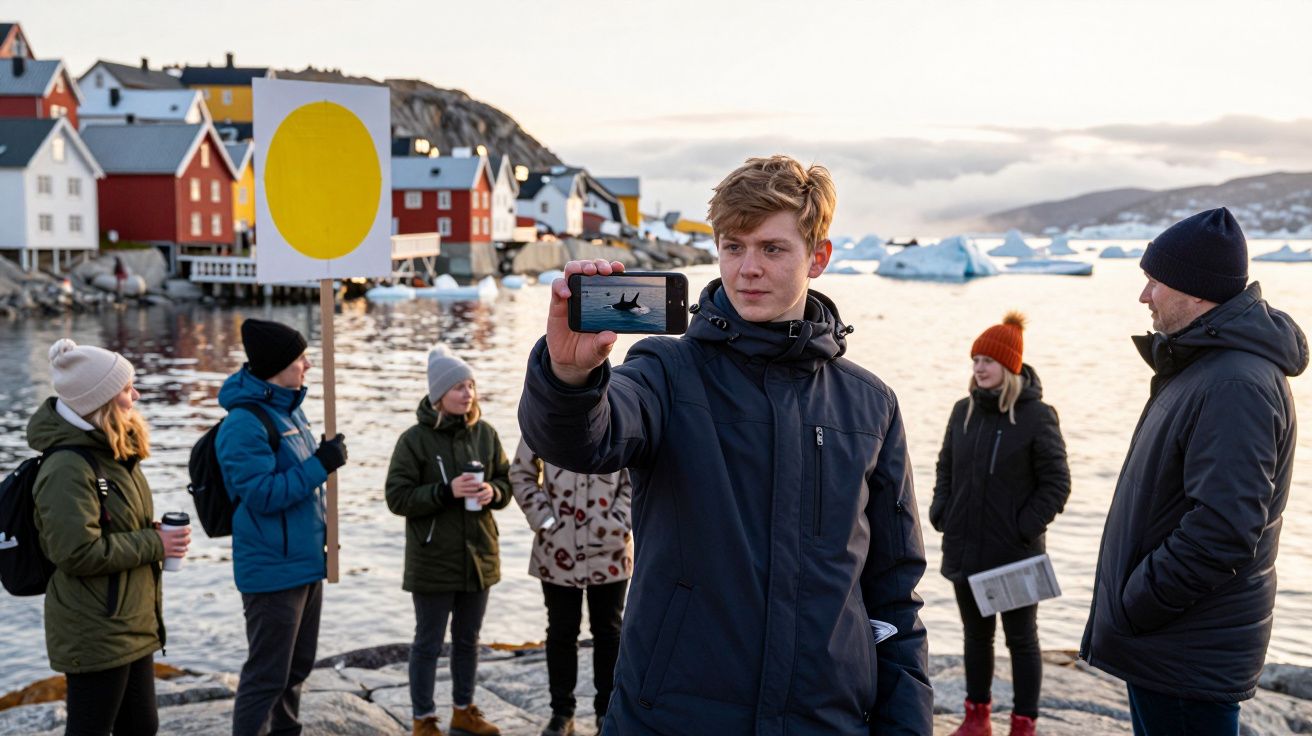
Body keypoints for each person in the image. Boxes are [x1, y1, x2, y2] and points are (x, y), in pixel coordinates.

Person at [518, 155, 933, 734]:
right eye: (732, 247)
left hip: (826, 720)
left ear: (818, 257)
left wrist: (906, 725)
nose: (747, 269)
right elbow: (584, 439)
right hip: (671, 718)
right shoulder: (665, 371)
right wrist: (569, 378)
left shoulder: (870, 405)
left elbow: (893, 595)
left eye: (771, 248)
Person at [1081, 208, 1308, 735]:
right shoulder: (1205, 367)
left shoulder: (1235, 383)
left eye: (1154, 283)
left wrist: (1139, 602)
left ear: (1197, 291)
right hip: (1171, 645)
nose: (1144, 297)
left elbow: (1224, 530)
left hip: (1185, 648)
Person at [30, 339, 190, 736]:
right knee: (92, 729)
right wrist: (156, 545)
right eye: (125, 389)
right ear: (98, 400)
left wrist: (150, 534)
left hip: (129, 620)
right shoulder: (67, 466)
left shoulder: (112, 451)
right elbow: (76, 551)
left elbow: (113, 527)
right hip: (96, 628)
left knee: (141, 727)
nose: (135, 395)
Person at [929, 313, 1071, 736]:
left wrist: (1021, 528)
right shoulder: (963, 411)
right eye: (974, 360)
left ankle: (1023, 724)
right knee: (976, 637)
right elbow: (945, 467)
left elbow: (1056, 484)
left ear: (1009, 366)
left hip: (1015, 554)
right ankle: (977, 719)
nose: (979, 368)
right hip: (965, 545)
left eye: (987, 360)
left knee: (1021, 640)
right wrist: (941, 511)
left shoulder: (1037, 416)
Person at [216, 318, 348, 736]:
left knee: (297, 666)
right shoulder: (244, 424)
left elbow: (302, 493)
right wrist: (319, 465)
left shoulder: (291, 410)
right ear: (277, 365)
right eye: (300, 358)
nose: (307, 365)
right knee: (267, 674)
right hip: (272, 569)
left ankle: (286, 731)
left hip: (306, 562)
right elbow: (261, 494)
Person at [385, 344, 512, 736]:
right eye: (459, 386)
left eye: (471, 385)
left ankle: (463, 710)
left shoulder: (486, 435)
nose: (468, 393)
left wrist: (494, 492)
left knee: (468, 640)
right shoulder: (415, 440)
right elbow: (397, 497)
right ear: (439, 394)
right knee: (427, 643)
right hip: (432, 557)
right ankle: (423, 719)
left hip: (479, 555)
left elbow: (508, 481)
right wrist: (445, 491)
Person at [508, 438, 633, 735]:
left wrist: (618, 522)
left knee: (610, 632)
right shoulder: (544, 418)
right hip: (557, 550)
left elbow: (637, 478)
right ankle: (561, 713)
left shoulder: (621, 414)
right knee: (561, 631)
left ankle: (607, 711)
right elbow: (520, 473)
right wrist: (545, 520)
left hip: (610, 552)